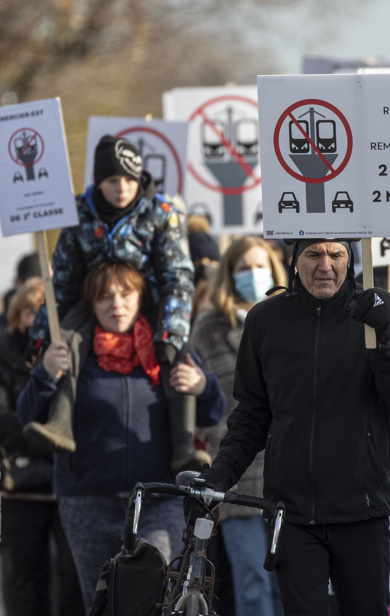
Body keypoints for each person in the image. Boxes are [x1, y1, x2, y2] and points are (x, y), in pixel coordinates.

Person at [196, 238, 390, 616]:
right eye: (313, 254)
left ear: (350, 258)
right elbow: (252, 414)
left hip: (362, 509)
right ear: (293, 260)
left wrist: (385, 338)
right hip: (292, 514)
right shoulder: (265, 320)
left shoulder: (381, 311)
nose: (325, 265)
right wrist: (221, 475)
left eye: (336, 254)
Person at [16, 261, 224, 608]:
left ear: (141, 297)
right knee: (101, 602)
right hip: (87, 502)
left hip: (158, 499)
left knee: (154, 597)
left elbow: (213, 414)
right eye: (104, 296)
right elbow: (27, 415)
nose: (116, 304)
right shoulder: (71, 347)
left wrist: (203, 387)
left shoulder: (169, 346)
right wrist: (46, 374)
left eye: (126, 293)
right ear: (90, 303)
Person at [26, 135, 204, 471]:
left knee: (179, 356)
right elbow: (62, 279)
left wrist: (171, 331)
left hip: (147, 302)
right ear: (98, 181)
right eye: (112, 180)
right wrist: (40, 335)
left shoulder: (162, 213)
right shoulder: (78, 212)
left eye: (128, 179)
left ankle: (183, 443)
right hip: (94, 301)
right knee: (68, 340)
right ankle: (60, 423)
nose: (121, 188)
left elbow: (178, 277)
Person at [189, 236, 287, 616]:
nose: (253, 274)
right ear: (229, 275)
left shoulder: (286, 319)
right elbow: (204, 406)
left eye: (259, 265)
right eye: (243, 267)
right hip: (240, 475)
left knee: (288, 585)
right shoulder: (209, 328)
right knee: (252, 583)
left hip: (288, 474)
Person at [0, 279, 83, 616]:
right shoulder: (4, 355)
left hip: (69, 484)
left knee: (73, 577)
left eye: (45, 311)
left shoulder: (72, 351)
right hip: (24, 485)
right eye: (30, 311)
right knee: (26, 576)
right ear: (16, 315)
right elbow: (5, 420)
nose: (37, 318)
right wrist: (41, 432)